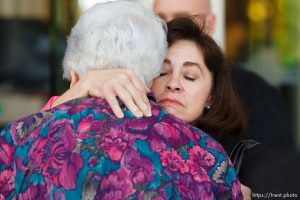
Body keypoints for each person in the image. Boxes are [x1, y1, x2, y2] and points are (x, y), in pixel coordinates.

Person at [46, 0, 299, 194]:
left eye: (189, 76)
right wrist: (78, 91)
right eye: (163, 72)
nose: (174, 84)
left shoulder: (234, 153)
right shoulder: (117, 134)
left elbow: (284, 185)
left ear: (212, 94)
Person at [0, 1, 243, 199]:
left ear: (74, 75)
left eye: (189, 76)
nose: (173, 84)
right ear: (151, 76)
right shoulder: (209, 158)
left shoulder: (17, 139)